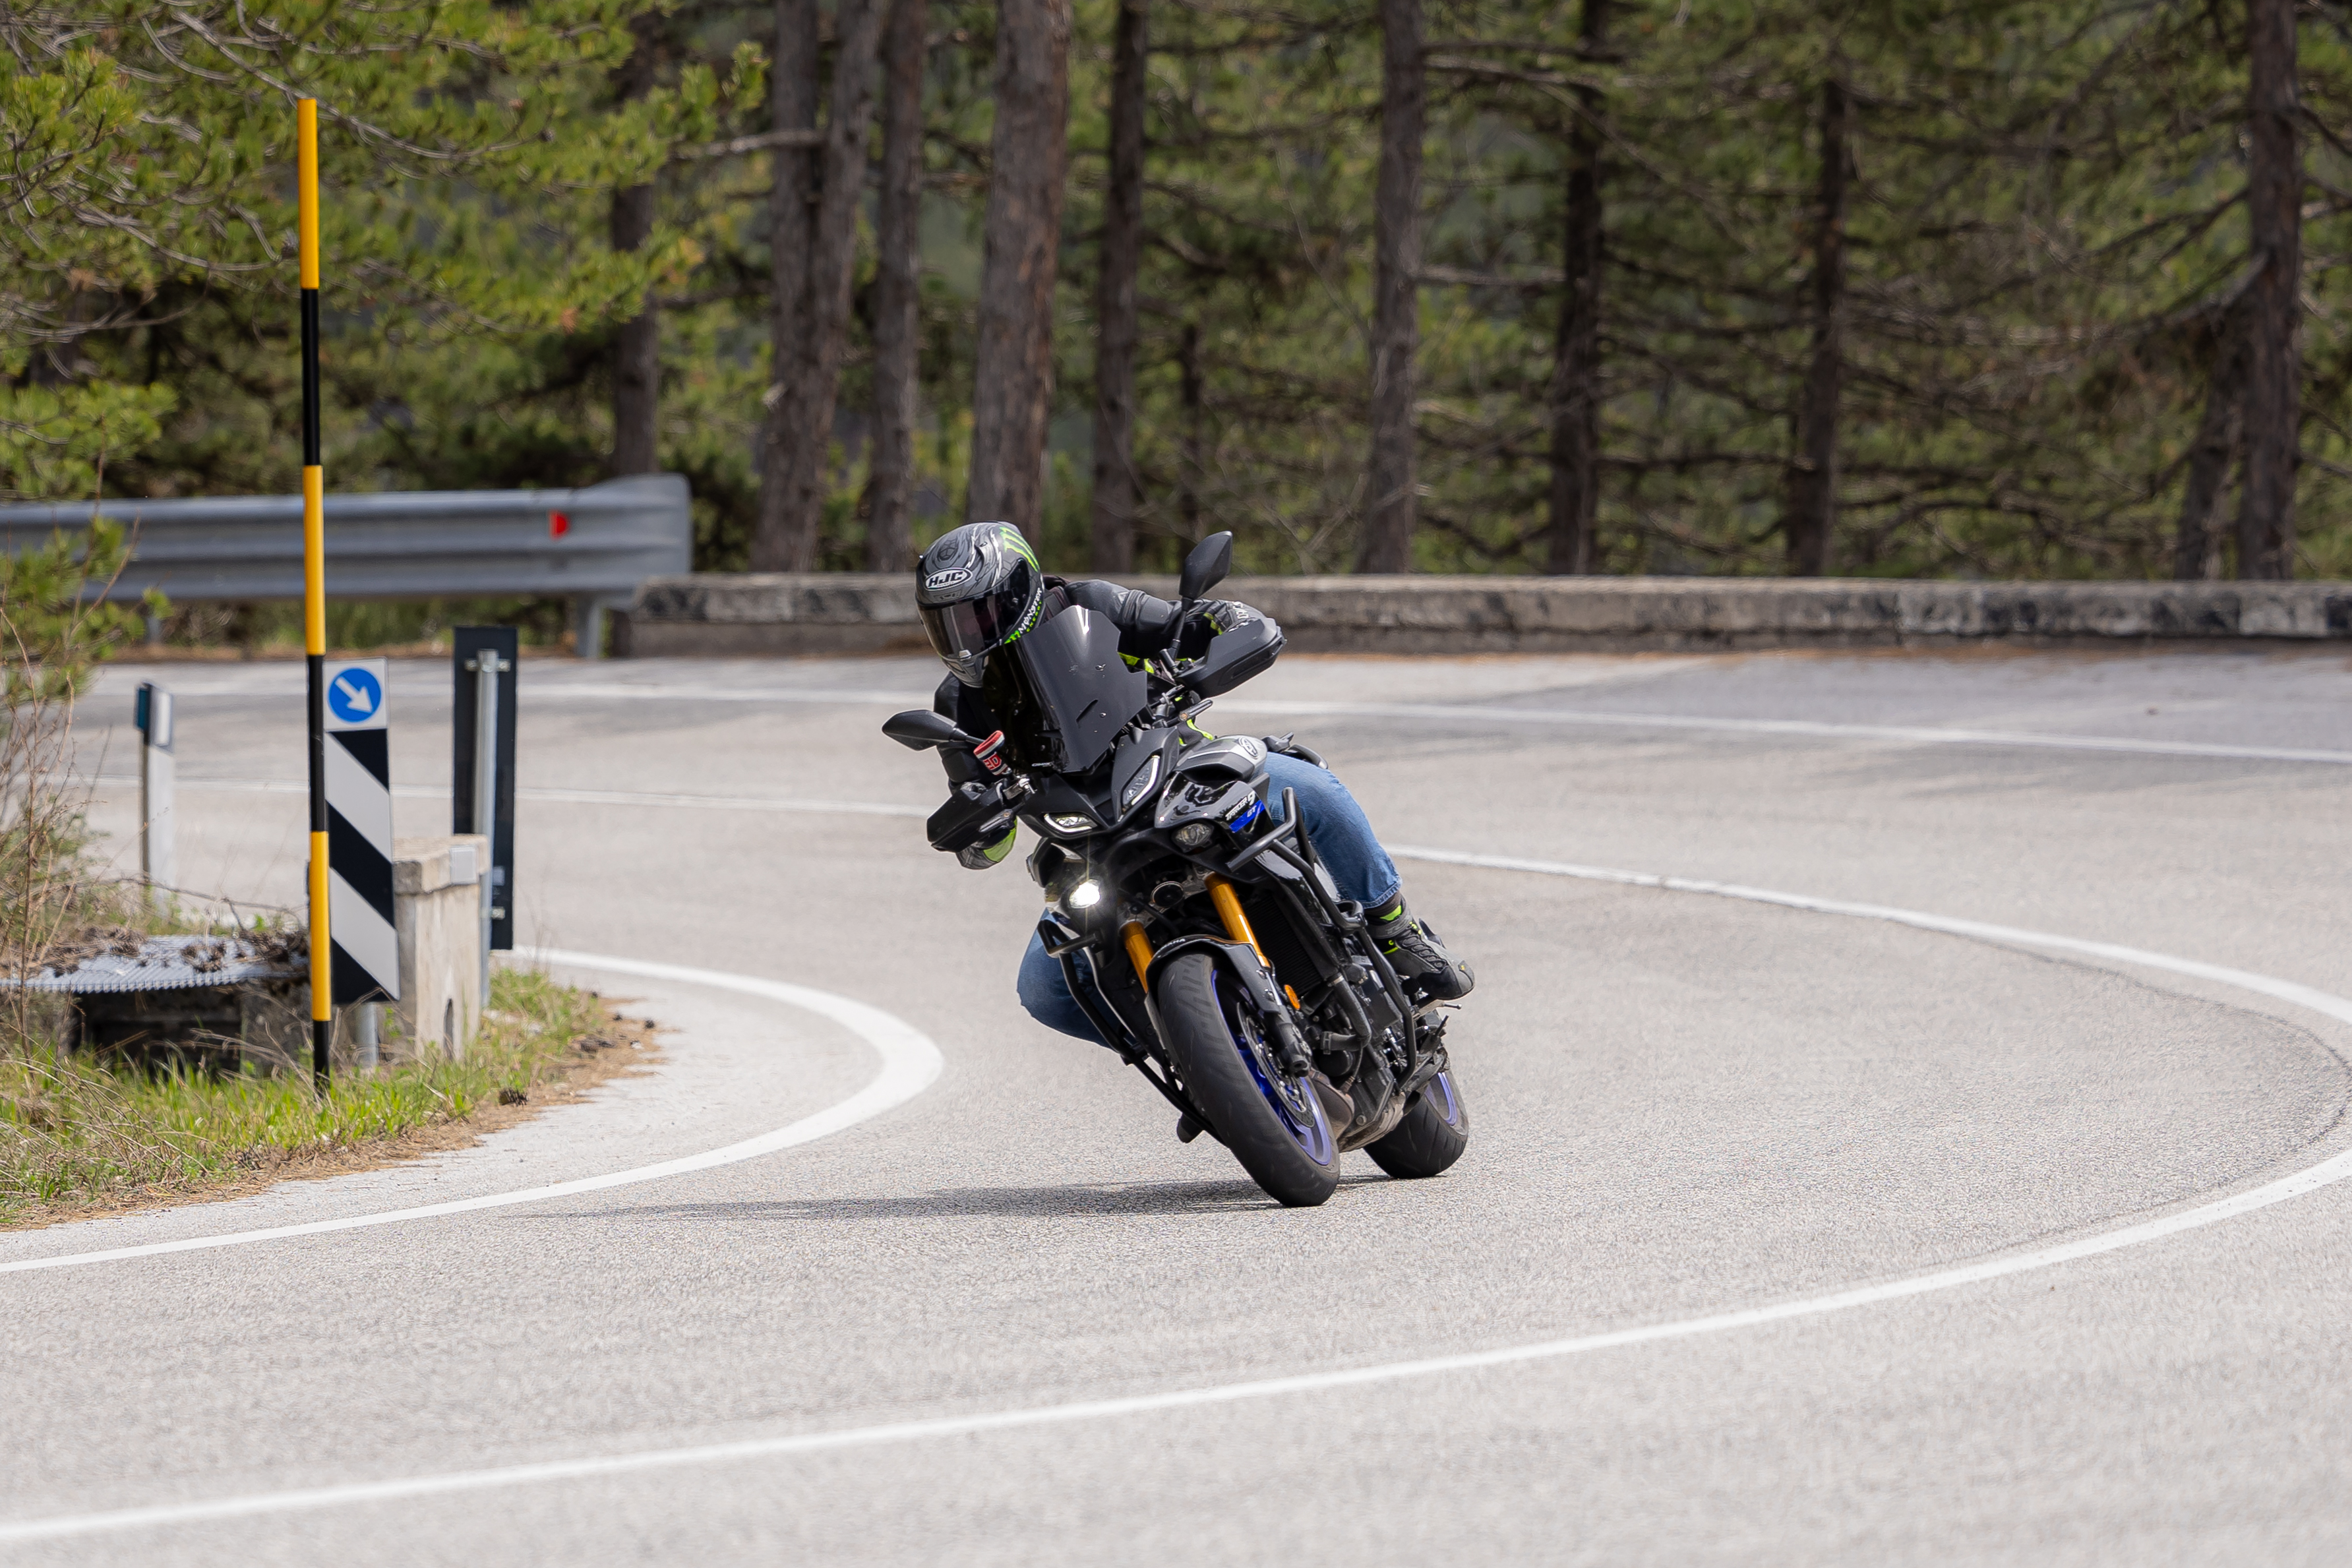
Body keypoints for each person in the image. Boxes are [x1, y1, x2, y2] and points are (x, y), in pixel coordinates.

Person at [911, 520, 1472, 1048]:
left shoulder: (1092, 606)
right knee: (1044, 991)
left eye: (979, 616)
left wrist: (1223, 628)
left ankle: (1396, 930)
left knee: (1311, 790)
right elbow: (985, 837)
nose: (966, 636)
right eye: (949, 623)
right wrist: (982, 820)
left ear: (1021, 593)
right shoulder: (957, 705)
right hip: (1087, 841)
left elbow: (1191, 624)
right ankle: (1193, 1050)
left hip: (1180, 770)